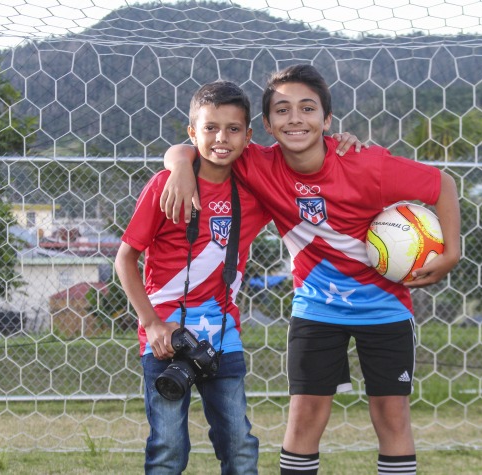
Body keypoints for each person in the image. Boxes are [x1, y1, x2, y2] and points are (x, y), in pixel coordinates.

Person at [160, 64, 461, 475]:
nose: (295, 118)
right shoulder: (258, 165)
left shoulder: (365, 164)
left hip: (385, 308)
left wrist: (451, 253)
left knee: (391, 418)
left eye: (307, 108)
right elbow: (196, 144)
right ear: (266, 125)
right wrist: (179, 165)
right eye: (282, 110)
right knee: (304, 419)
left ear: (327, 119)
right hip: (317, 310)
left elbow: (442, 183)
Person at [115, 79, 362, 474]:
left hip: (222, 337)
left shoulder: (255, 189)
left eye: (233, 129)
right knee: (167, 447)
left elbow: (304, 160)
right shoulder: (166, 186)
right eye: (210, 128)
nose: (221, 138)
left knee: (239, 444)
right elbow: (125, 259)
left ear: (249, 136)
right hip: (164, 338)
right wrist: (151, 323)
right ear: (192, 132)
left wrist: (341, 142)